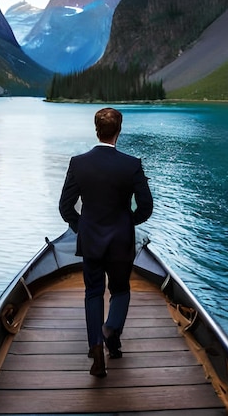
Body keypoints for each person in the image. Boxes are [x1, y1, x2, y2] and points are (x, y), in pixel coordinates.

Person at [59, 107, 153, 378]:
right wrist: (128, 222)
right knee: (121, 290)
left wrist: (83, 227)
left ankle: (97, 350)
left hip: (90, 240)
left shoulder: (78, 163)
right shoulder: (132, 164)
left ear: (96, 130)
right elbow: (146, 207)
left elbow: (66, 207)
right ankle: (111, 331)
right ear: (119, 131)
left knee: (93, 292)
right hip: (121, 240)